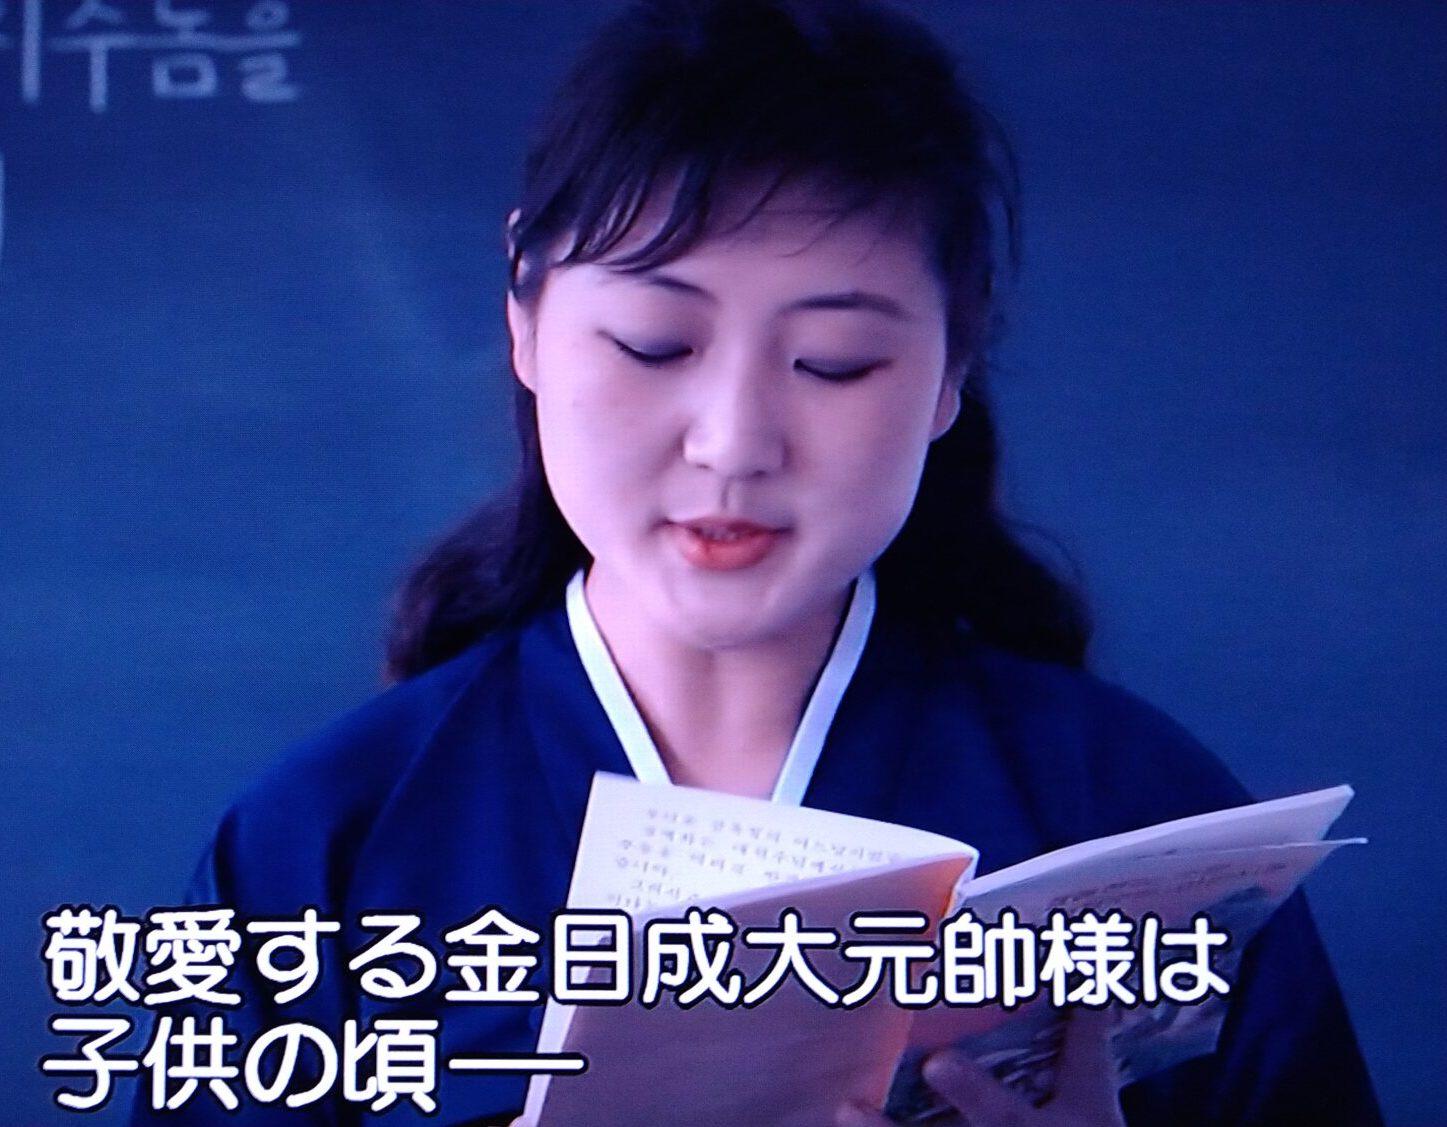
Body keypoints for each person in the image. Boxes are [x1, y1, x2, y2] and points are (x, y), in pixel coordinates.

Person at [129, 1, 1381, 1124]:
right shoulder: (319, 848)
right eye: (653, 342)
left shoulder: (1138, 817)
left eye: (833, 362)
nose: (731, 441)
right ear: (524, 312)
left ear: (949, 370)